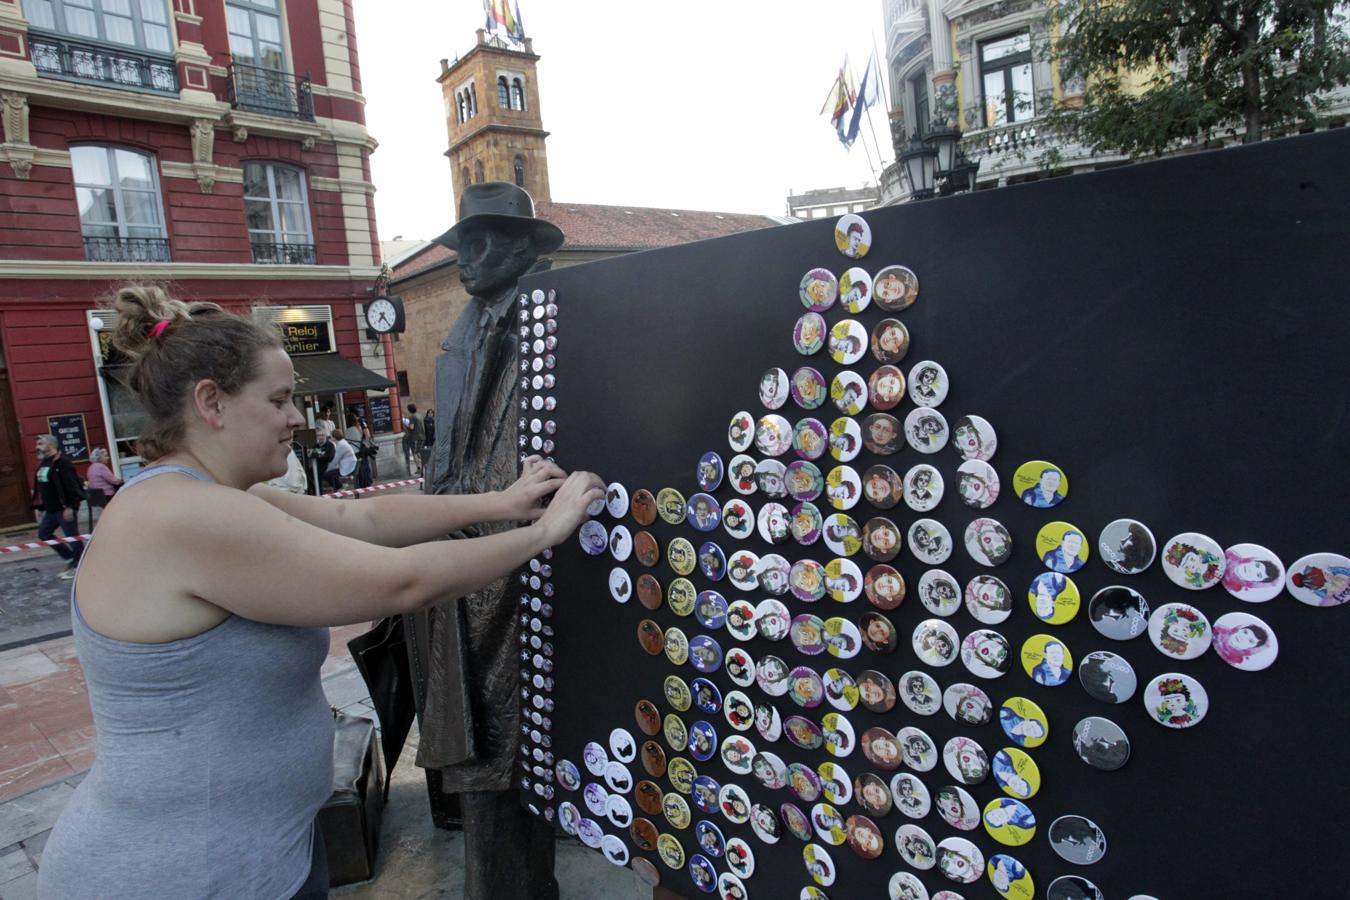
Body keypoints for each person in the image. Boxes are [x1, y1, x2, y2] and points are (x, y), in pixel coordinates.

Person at [36, 285, 602, 900]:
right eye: (279, 399)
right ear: (211, 403)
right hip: (175, 874)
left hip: (257, 859)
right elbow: (401, 580)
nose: (297, 417)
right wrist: (545, 531)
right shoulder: (183, 515)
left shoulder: (213, 498)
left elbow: (361, 522)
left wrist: (504, 501)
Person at [32, 434, 85, 579]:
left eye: (41, 444)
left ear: (52, 445)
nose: (37, 447)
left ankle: (79, 566)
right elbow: (42, 487)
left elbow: (73, 486)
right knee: (44, 533)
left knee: (72, 538)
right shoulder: (44, 463)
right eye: (37, 444)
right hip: (50, 510)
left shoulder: (62, 463)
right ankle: (70, 558)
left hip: (64, 509)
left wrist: (71, 506)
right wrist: (40, 508)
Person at [404, 403, 425, 476]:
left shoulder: (412, 417)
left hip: (415, 437)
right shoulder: (420, 415)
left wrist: (406, 426)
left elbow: (412, 427)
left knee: (415, 453)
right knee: (419, 452)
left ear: (409, 410)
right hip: (422, 436)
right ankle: (427, 464)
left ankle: (419, 468)